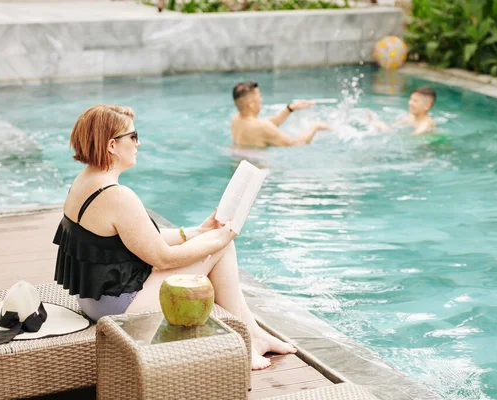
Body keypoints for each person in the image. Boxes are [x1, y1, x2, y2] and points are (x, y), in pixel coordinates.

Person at [53, 104, 296, 370]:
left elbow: (139, 238)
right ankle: (248, 339)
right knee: (222, 249)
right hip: (118, 307)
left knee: (215, 243)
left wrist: (198, 232)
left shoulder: (85, 181)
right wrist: (220, 239)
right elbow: (163, 258)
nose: (138, 143)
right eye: (133, 136)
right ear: (112, 145)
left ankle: (253, 334)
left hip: (93, 298)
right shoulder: (117, 196)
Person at [231, 81, 332, 147]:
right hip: (259, 175)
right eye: (259, 97)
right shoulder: (262, 127)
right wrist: (315, 126)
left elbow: (265, 124)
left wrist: (290, 109)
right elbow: (296, 144)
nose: (261, 100)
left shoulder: (236, 120)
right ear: (251, 104)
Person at [366, 87, 437, 135]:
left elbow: (411, 140)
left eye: (415, 101)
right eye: (411, 99)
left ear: (427, 106)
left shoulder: (425, 125)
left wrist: (386, 130)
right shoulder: (411, 117)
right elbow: (393, 125)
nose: (410, 103)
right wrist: (374, 121)